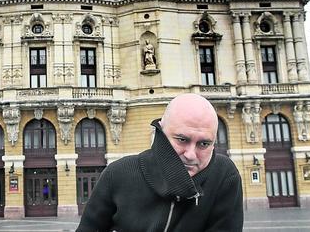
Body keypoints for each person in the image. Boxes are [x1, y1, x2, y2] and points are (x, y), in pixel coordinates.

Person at [77, 93, 243, 232]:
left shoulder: (224, 176)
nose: (191, 154)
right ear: (161, 133)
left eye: (204, 144)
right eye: (182, 139)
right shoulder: (118, 173)